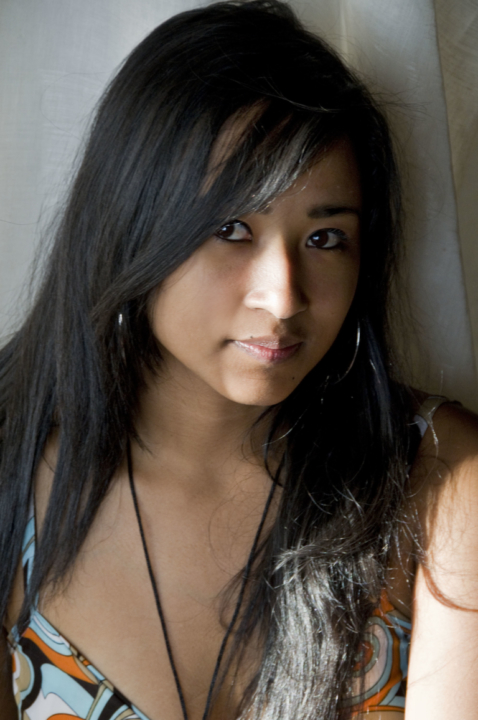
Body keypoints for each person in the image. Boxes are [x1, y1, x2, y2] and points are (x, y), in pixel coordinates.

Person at [1, 1, 478, 718]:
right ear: (132, 224)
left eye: (325, 239)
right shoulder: (12, 475)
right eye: (231, 228)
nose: (283, 296)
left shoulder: (439, 476)